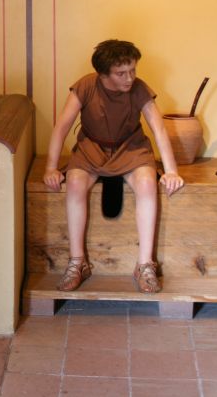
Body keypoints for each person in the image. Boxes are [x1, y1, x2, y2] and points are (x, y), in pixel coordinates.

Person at [43, 39, 184, 293]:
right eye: (122, 73)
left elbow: (159, 129)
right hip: (91, 149)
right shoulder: (85, 86)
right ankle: (78, 263)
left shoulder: (139, 89)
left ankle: (145, 265)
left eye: (133, 70)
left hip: (131, 147)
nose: (129, 78)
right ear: (103, 74)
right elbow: (62, 127)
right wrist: (51, 167)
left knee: (147, 184)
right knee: (74, 183)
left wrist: (172, 171)